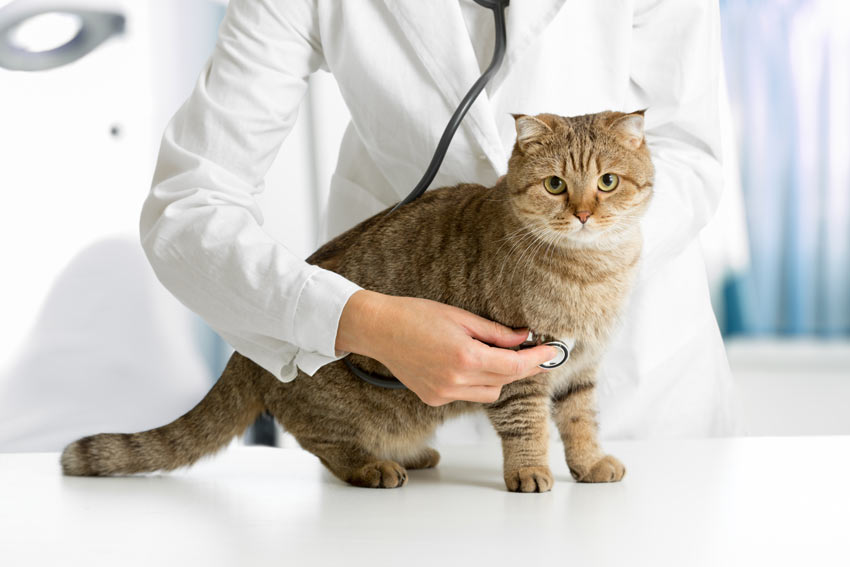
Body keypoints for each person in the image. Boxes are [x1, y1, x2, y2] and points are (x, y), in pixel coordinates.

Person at [141, 0, 740, 438]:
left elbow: (688, 150)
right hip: (397, 394)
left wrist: (569, 261)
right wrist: (361, 321)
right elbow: (188, 206)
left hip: (639, 387)